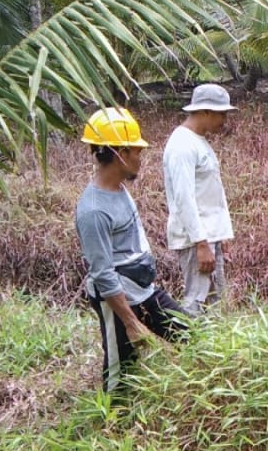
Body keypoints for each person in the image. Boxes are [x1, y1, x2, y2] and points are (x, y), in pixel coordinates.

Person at [75, 107, 187, 393]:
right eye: (136, 151)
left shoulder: (118, 188)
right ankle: (110, 426)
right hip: (118, 300)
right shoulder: (93, 210)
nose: (140, 158)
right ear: (119, 153)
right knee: (120, 373)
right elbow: (102, 273)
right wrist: (131, 322)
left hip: (144, 290)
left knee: (192, 335)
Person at [163, 83, 238, 313]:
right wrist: (201, 243)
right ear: (205, 112)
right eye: (221, 114)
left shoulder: (199, 141)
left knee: (215, 303)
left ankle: (215, 347)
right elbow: (184, 199)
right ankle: (189, 346)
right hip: (196, 239)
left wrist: (222, 233)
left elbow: (211, 190)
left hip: (209, 235)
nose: (224, 120)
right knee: (197, 302)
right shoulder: (182, 145)